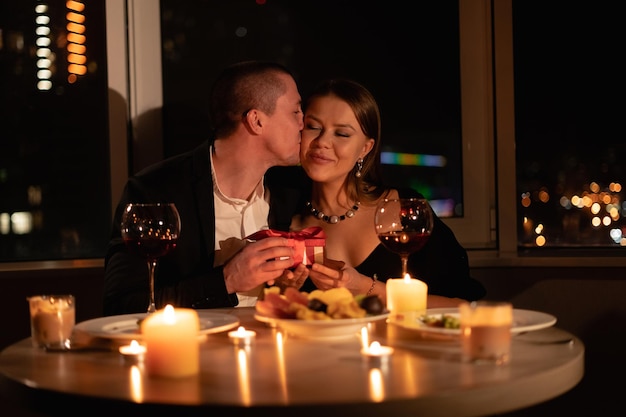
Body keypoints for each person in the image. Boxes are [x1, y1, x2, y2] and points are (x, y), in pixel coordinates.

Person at [103, 60, 309, 315]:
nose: (304, 123)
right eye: (296, 112)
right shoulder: (156, 190)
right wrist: (227, 280)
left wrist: (280, 284)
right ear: (256, 121)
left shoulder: (291, 191)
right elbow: (122, 305)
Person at [287, 78, 486, 307]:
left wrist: (367, 289)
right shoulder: (283, 218)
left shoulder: (404, 209)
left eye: (341, 134)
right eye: (313, 126)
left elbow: (462, 306)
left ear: (365, 148)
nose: (322, 142)